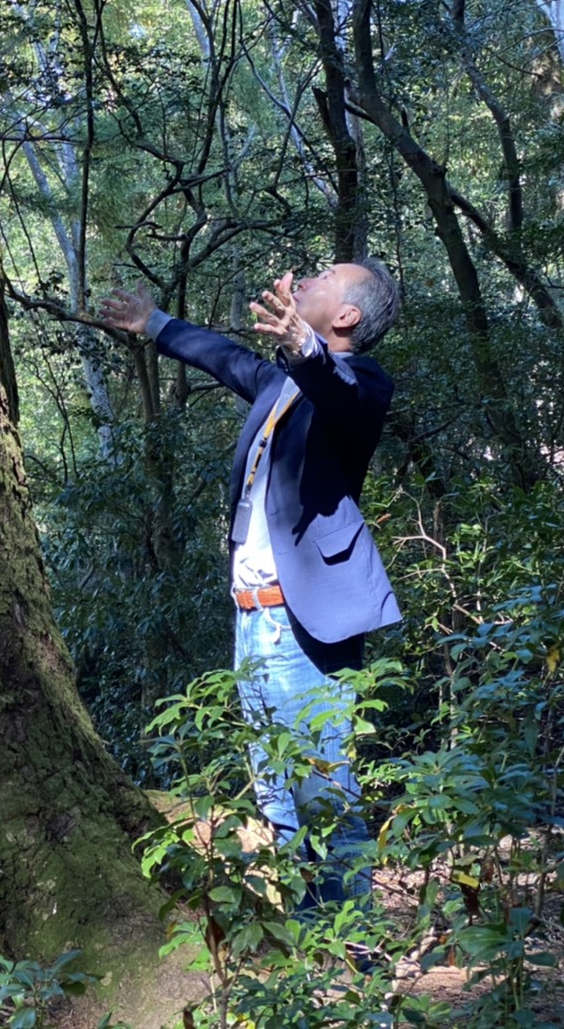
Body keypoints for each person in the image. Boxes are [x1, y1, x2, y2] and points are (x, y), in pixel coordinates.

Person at [100, 262, 402, 912]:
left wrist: (305, 347)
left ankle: (359, 964)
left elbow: (340, 392)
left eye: (320, 278)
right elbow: (223, 356)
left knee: (325, 798)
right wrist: (152, 324)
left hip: (306, 630)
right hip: (253, 622)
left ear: (345, 317)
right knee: (277, 800)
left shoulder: (362, 385)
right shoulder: (278, 384)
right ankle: (310, 966)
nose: (303, 282)